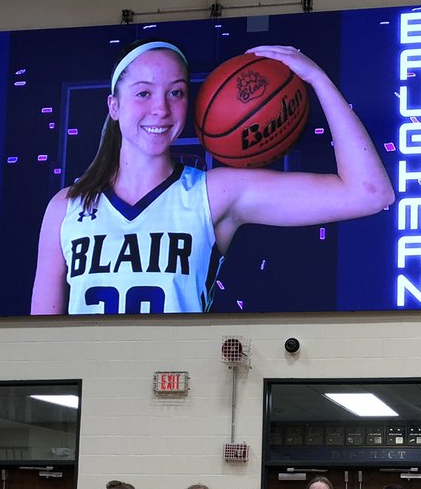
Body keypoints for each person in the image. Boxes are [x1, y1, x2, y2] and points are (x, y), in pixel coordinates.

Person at [32, 41, 394, 315]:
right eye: (143, 93)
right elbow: (40, 339)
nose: (160, 108)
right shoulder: (66, 207)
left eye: (176, 92)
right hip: (96, 396)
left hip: (182, 393)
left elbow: (370, 194)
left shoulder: (213, 193)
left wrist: (317, 79)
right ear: (114, 106)